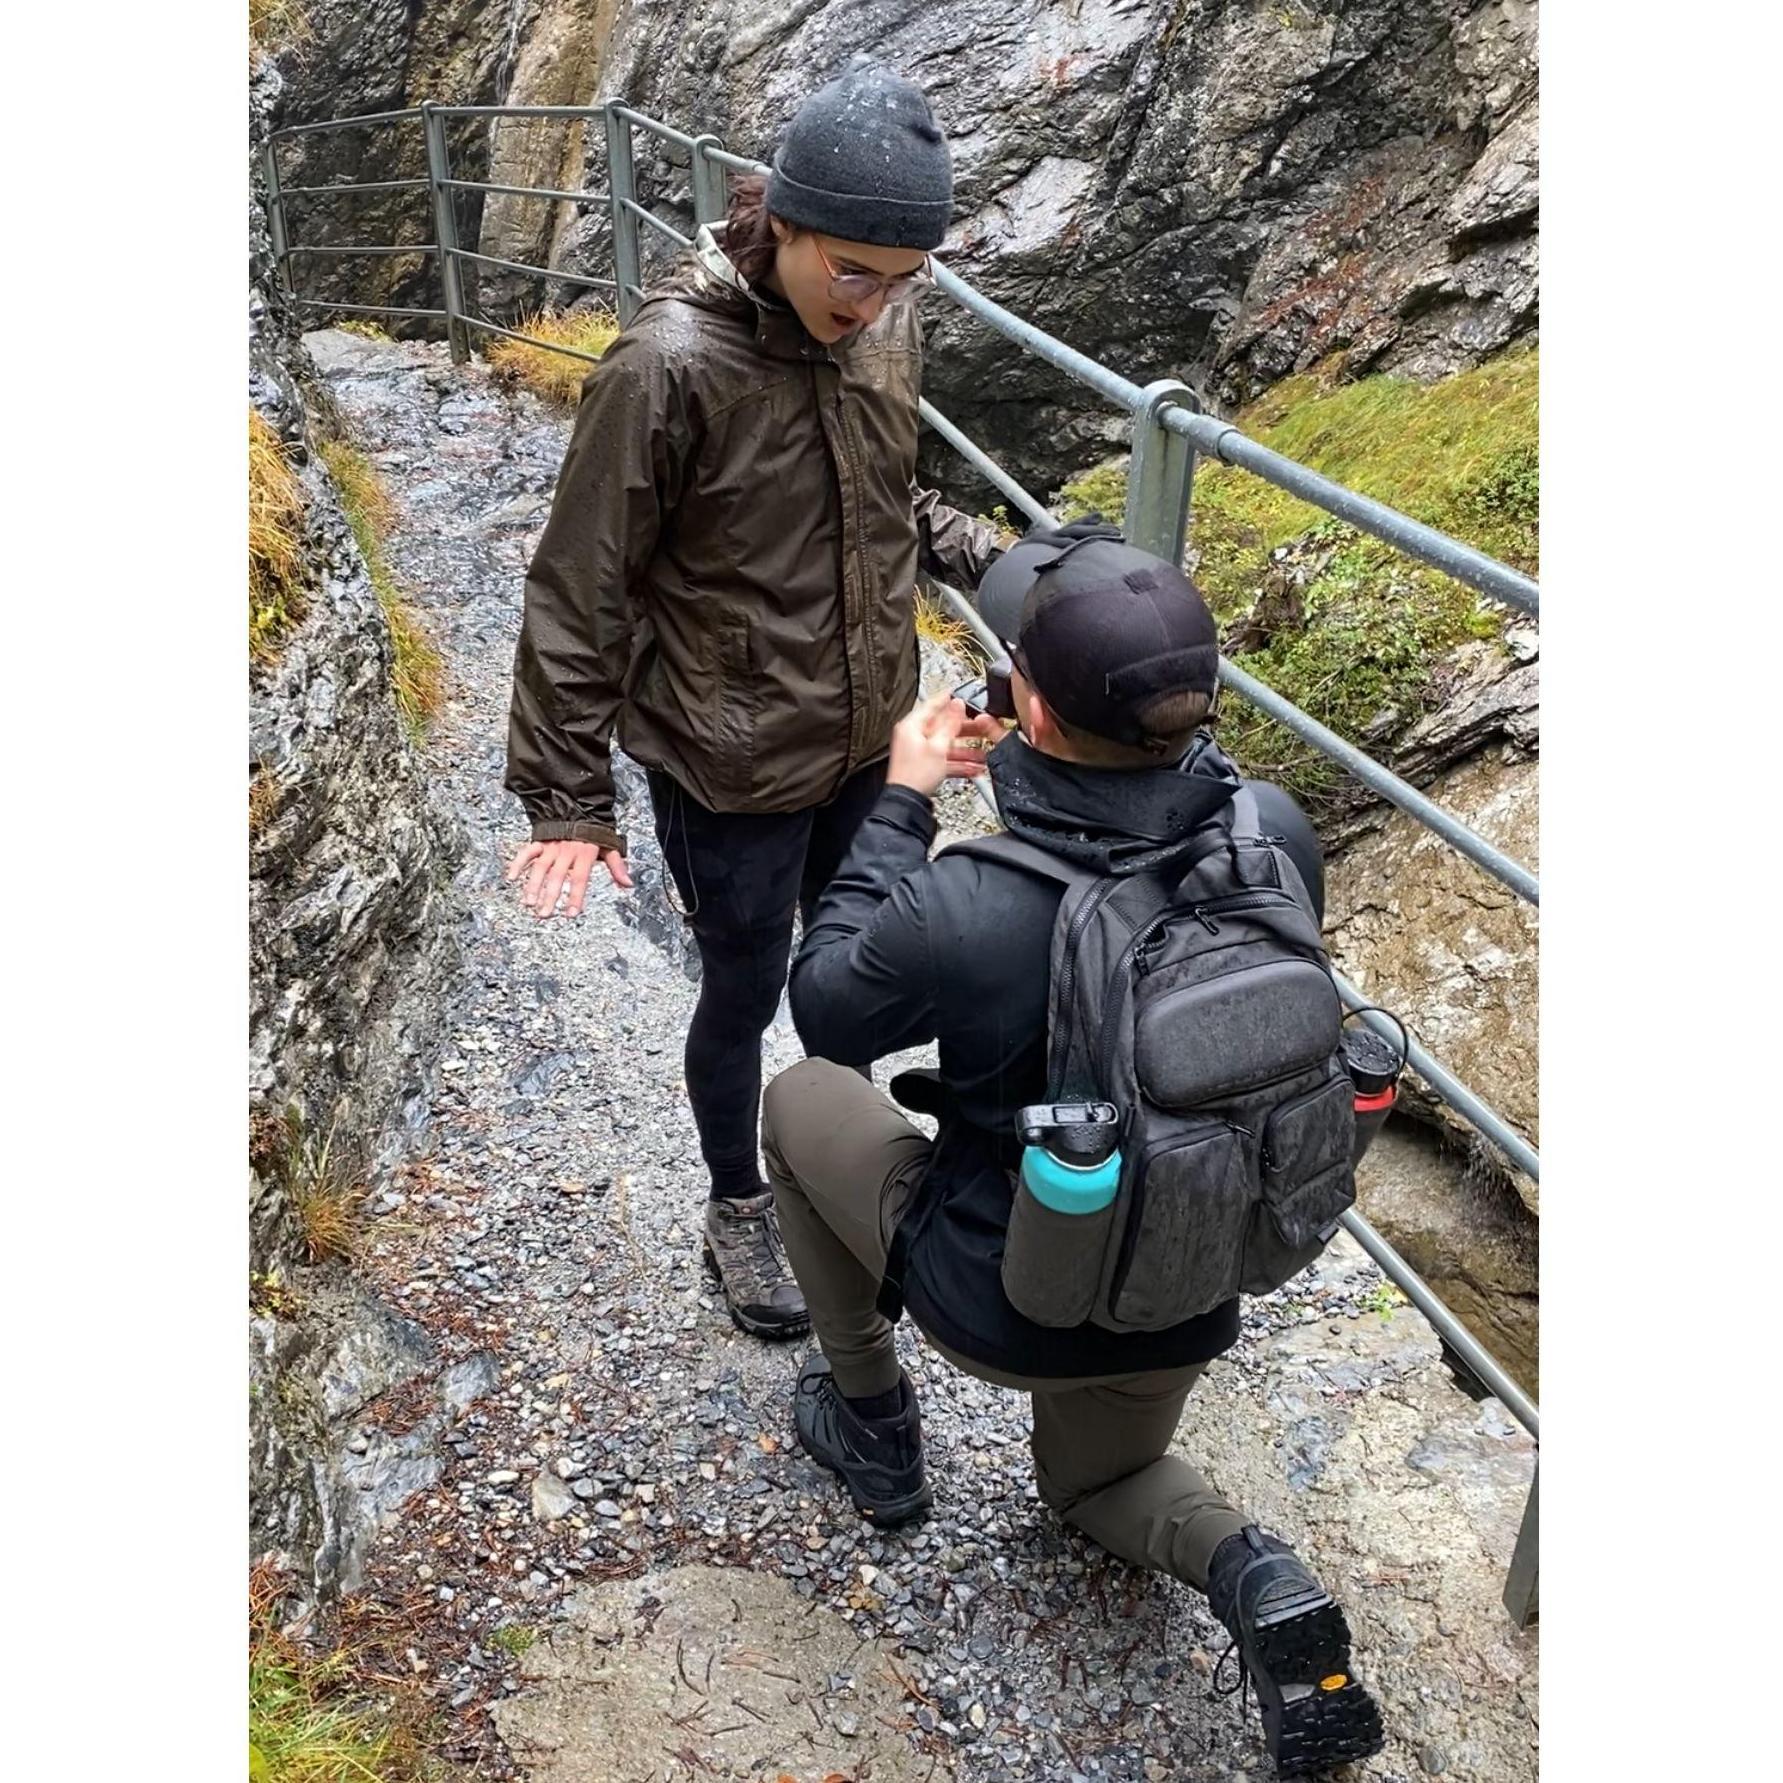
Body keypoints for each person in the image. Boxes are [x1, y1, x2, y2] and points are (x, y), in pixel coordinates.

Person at [761, 527, 1386, 1776]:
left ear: (1026, 710)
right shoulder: (1272, 832)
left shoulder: (975, 900)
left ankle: (872, 1419)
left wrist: (901, 799)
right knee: (1100, 1488)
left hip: (999, 1295)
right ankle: (1247, 1569)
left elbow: (826, 1004)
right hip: (1191, 1277)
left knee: (796, 1103)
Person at [502, 60, 1005, 1340]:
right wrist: (568, 799)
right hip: (726, 760)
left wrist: (1008, 565)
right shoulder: (666, 368)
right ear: (779, 220)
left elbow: (885, 498)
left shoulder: (880, 319)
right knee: (743, 985)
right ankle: (739, 1200)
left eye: (908, 277)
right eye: (855, 271)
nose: (882, 303)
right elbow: (581, 585)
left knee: (860, 974)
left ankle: (839, 1159)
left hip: (865, 730)